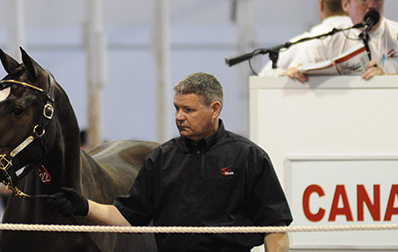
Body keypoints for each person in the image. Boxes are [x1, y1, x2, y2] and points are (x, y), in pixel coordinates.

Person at [48, 73, 293, 252]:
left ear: (215, 109)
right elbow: (126, 216)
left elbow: (275, 224)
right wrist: (83, 206)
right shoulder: (161, 159)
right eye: (177, 108)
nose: (179, 117)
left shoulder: (249, 157)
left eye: (189, 110)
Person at [260, 0, 351, 75]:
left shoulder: (299, 44)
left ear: (320, 5)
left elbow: (263, 78)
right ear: (348, 4)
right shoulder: (365, 40)